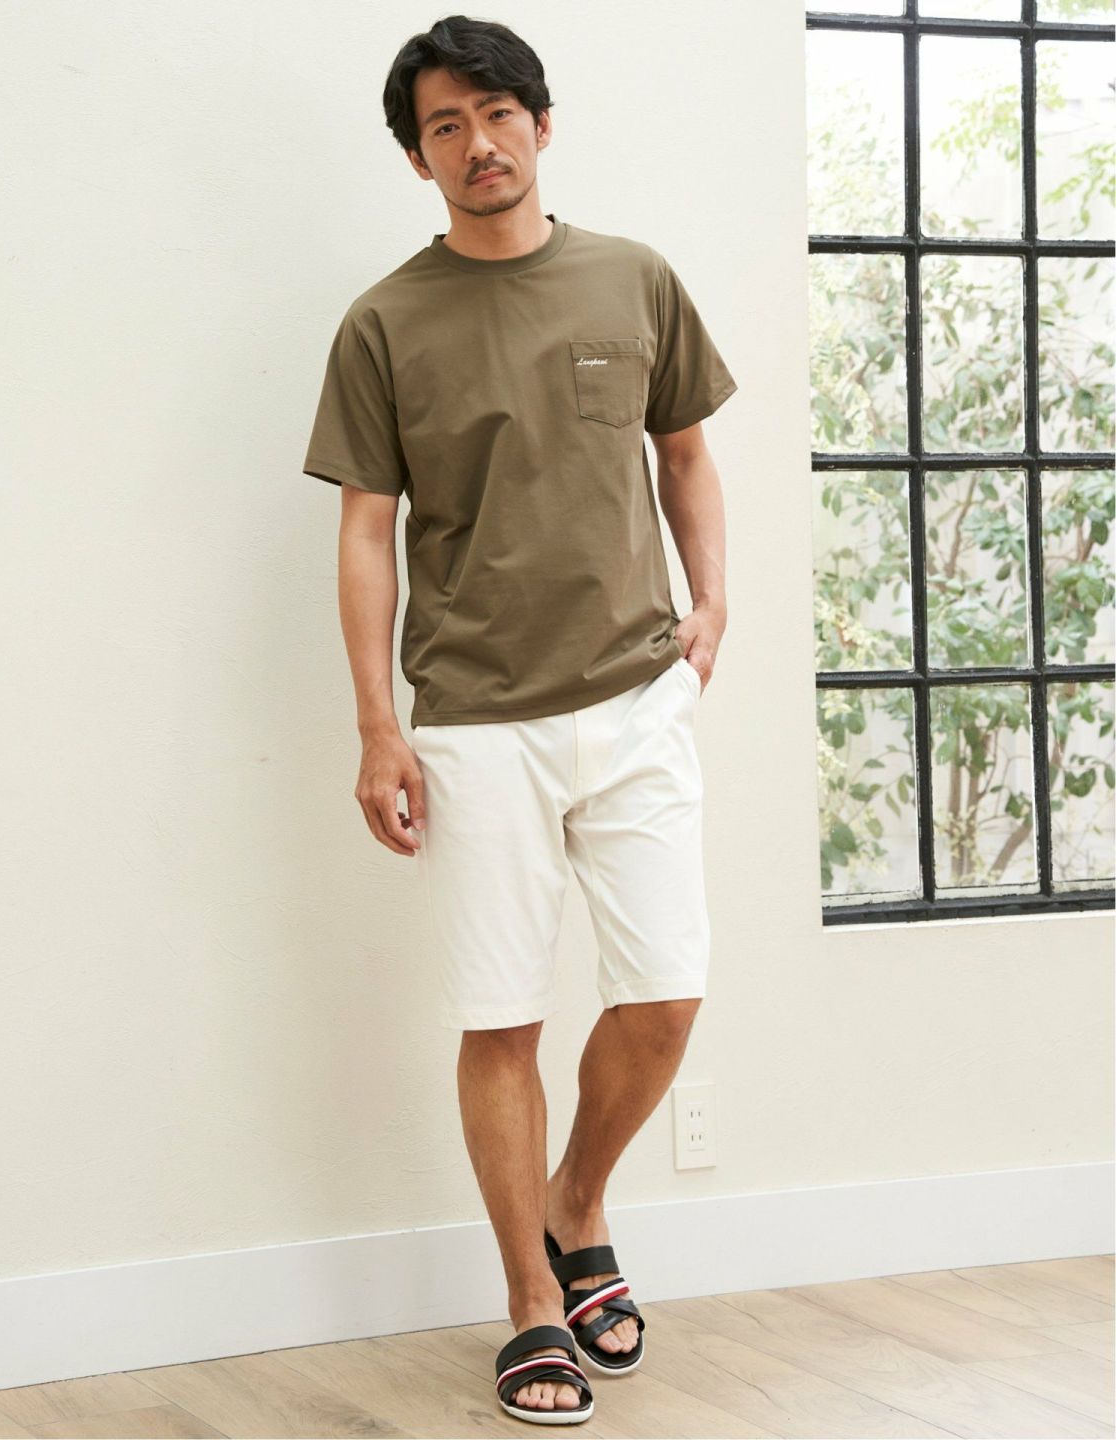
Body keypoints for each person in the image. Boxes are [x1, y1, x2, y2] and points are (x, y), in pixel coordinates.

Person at [302, 14, 736, 1426]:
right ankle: (532, 1302)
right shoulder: (384, 323)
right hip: (474, 720)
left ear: (541, 126)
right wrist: (377, 726)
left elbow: (686, 454)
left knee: (665, 997)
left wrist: (711, 604)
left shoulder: (634, 277)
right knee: (503, 1018)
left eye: (497, 114)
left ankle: (577, 1203)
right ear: (417, 158)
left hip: (637, 696)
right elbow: (367, 534)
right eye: (445, 125)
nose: (477, 143)